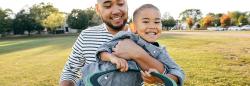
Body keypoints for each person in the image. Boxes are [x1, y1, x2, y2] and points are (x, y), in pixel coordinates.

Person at [60, 0, 180, 86]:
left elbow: (167, 74)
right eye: (107, 5)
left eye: (121, 3)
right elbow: (70, 72)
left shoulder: (144, 35)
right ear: (97, 9)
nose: (116, 11)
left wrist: (137, 54)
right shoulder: (86, 36)